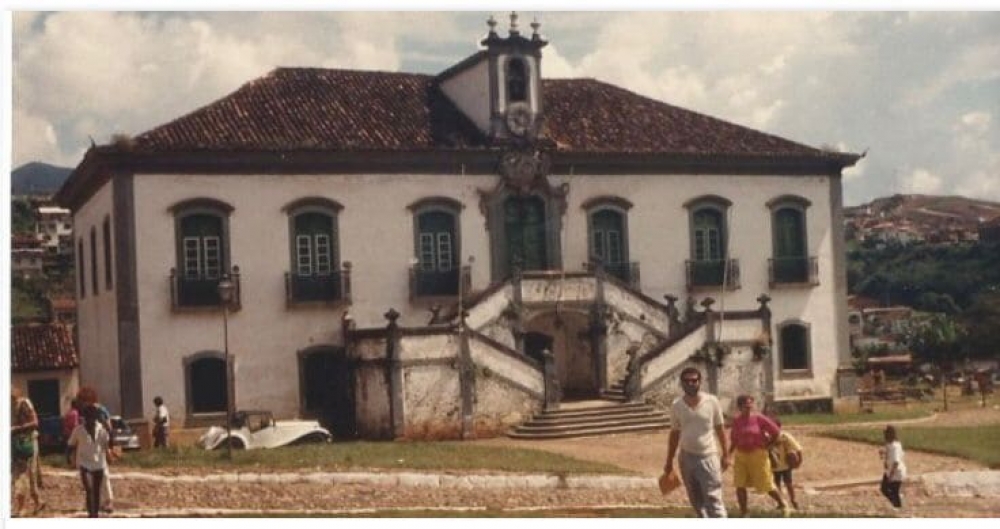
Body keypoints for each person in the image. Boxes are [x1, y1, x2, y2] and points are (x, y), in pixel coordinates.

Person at [663, 367, 730, 518]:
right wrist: (669, 461)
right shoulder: (677, 405)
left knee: (713, 499)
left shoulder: (712, 401)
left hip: (708, 456)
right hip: (686, 457)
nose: (691, 384)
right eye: (687, 381)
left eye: (694, 380)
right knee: (696, 501)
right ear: (681, 383)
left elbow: (720, 429)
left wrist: (726, 454)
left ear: (700, 382)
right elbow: (674, 433)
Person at [729, 394, 790, 517]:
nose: (749, 407)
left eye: (750, 404)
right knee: (739, 484)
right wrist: (728, 454)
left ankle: (783, 504)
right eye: (746, 405)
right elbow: (734, 439)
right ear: (740, 407)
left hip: (758, 455)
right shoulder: (736, 421)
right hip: (741, 455)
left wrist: (769, 445)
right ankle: (744, 512)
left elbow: (776, 432)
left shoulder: (759, 418)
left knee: (765, 483)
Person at [67, 405, 114, 518]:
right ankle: (91, 514)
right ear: (85, 418)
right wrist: (68, 458)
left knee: (96, 491)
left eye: (92, 418)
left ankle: (95, 514)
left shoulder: (102, 430)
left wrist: (109, 430)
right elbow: (70, 445)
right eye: (88, 418)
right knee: (89, 490)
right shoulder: (78, 430)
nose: (90, 421)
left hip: (99, 464)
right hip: (84, 464)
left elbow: (109, 444)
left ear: (96, 418)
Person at [76, 387, 116, 513]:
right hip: (88, 448)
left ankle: (108, 501)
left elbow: (108, 427)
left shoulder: (100, 410)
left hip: (100, 445)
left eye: (83, 400)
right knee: (89, 478)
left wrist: (109, 448)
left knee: (104, 475)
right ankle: (94, 502)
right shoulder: (83, 411)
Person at [11, 388, 45, 516]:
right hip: (15, 443)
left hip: (26, 442)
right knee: (26, 475)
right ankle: (38, 501)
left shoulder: (23, 403)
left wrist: (16, 429)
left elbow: (35, 422)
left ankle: (22, 507)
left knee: (22, 475)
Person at [768, 416, 803, 510]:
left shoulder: (785, 436)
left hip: (786, 466)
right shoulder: (768, 438)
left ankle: (793, 499)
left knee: (789, 484)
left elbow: (798, 448)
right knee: (776, 485)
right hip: (773, 466)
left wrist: (799, 460)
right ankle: (781, 501)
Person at [879, 425, 906, 509]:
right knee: (884, 488)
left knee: (893, 491)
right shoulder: (889, 444)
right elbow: (886, 456)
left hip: (896, 473)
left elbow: (896, 462)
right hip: (890, 471)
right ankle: (896, 503)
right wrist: (883, 457)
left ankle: (898, 506)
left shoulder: (895, 446)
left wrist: (891, 475)